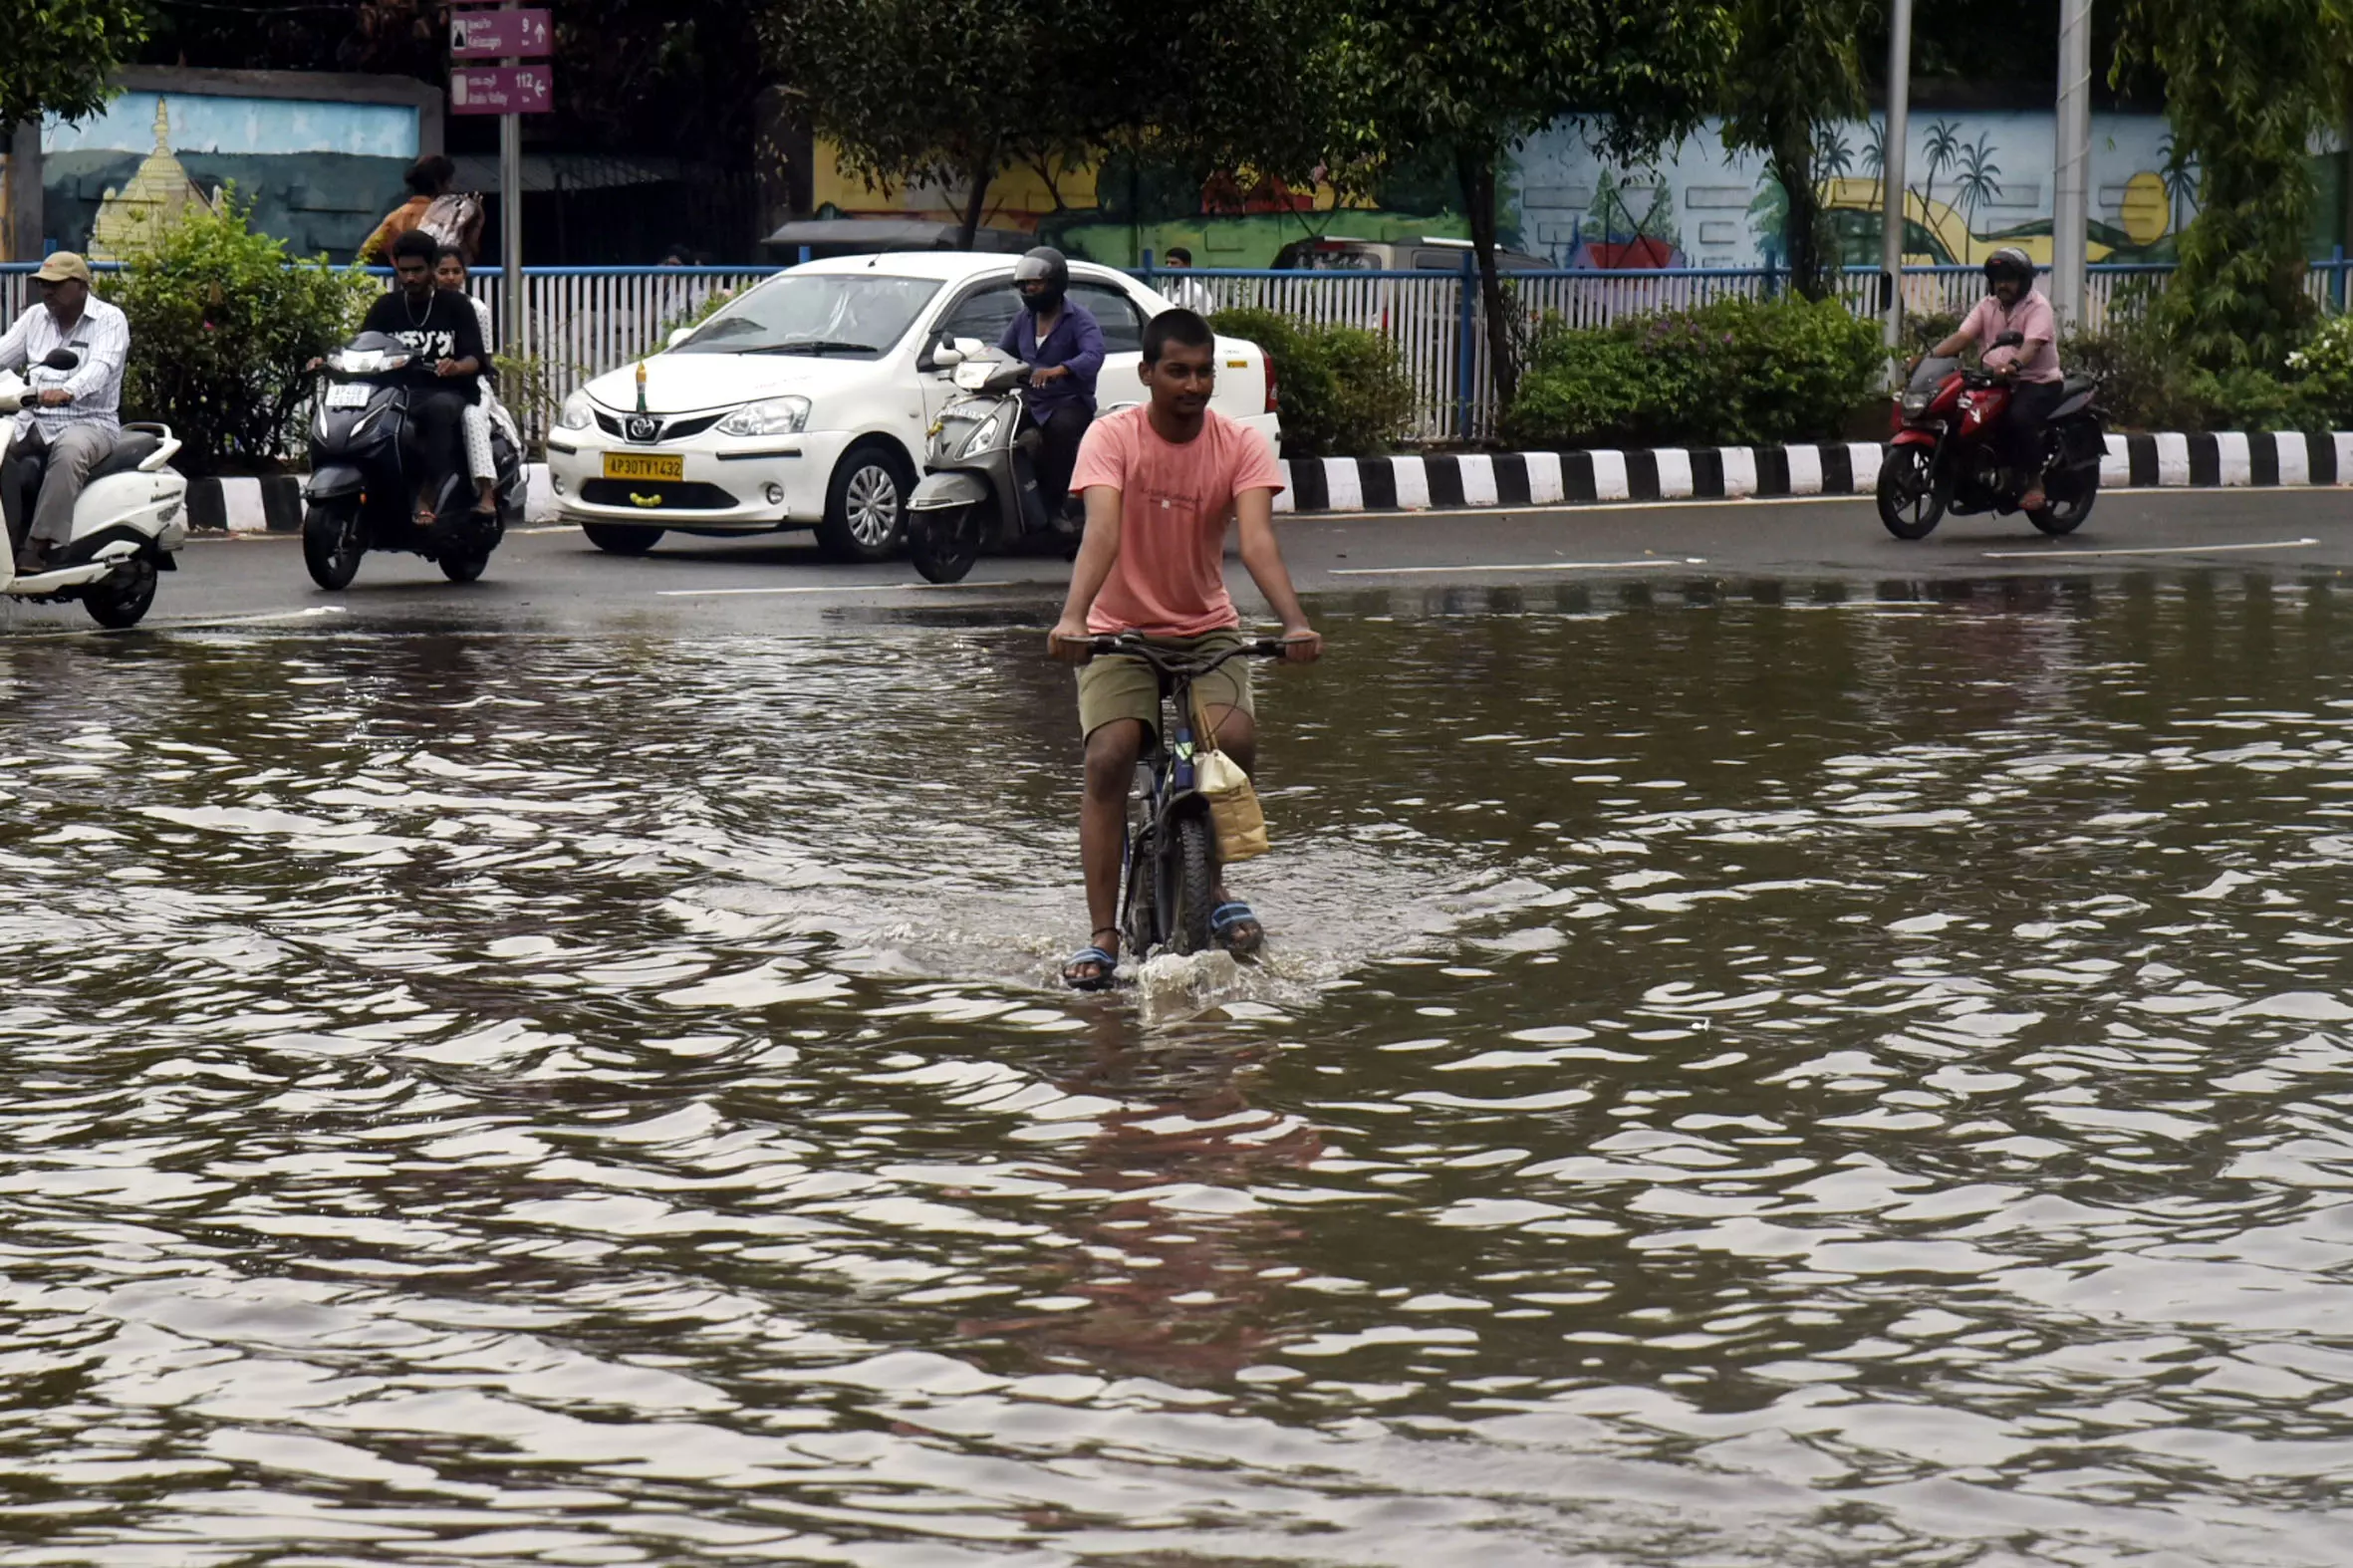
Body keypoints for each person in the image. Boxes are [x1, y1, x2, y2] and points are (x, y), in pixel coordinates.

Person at [1048, 308, 1322, 990]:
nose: (1193, 385)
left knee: (1234, 741)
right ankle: (1103, 933)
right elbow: (1102, 531)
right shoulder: (1111, 437)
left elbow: (1256, 542)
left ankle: (1215, 880)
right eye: (1177, 371)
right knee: (1110, 756)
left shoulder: (1240, 444)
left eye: (1203, 372)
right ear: (1147, 374)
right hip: (1119, 632)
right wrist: (1074, 618)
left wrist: (1294, 624)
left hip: (1208, 631)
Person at [0, 252, 131, 574]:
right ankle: (9, 536)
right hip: (35, 420)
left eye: (55, 285)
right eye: (43, 285)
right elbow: (4, 351)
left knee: (69, 453)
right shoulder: (34, 318)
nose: (47, 292)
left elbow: (101, 367)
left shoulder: (109, 320)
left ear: (81, 286)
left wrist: (69, 390)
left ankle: (38, 545)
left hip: (90, 422)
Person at [358, 229, 493, 525]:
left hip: (447, 393)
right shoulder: (386, 307)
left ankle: (428, 494)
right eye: (404, 271)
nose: (410, 278)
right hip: (395, 393)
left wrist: (455, 367)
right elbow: (362, 344)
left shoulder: (457, 306)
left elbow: (476, 358)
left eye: (417, 270)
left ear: (432, 268)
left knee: (439, 409)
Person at [1922, 245, 2064, 511]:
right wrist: (1929, 357)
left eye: (2009, 279)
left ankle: (2034, 482)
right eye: (1998, 280)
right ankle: (1973, 481)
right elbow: (1962, 337)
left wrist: (2014, 364)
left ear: (2023, 282)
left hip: (2037, 382)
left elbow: (2032, 345)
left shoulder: (2038, 307)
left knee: (2017, 419)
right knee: (1964, 417)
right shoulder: (1988, 306)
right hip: (1996, 382)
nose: (2003, 285)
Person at [994, 246, 1102, 518]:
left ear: (1055, 283)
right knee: (999, 431)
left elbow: (1094, 355)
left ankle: (1057, 507)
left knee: (1059, 432)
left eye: (1036, 283)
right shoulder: (1023, 320)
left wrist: (1059, 370)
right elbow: (1002, 352)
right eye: (1025, 284)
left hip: (1069, 402)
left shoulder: (1079, 319)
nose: (1030, 288)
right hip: (1033, 401)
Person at [434, 244, 518, 504]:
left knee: (471, 417)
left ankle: (485, 492)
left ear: (465, 274)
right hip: (429, 384)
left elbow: (484, 358)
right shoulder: (425, 307)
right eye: (443, 271)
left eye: (455, 271)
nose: (450, 278)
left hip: (471, 384)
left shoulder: (477, 309)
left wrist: (459, 368)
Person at [361, 154, 482, 265]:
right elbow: (468, 255)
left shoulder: (397, 216)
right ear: (439, 184)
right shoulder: (451, 214)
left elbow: (366, 253)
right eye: (449, 182)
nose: (451, 188)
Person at [1161, 246, 1216, 315]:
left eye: (1173, 263)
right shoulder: (1163, 291)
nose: (1168, 266)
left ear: (1187, 266)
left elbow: (1212, 317)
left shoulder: (1198, 292)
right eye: (1167, 263)